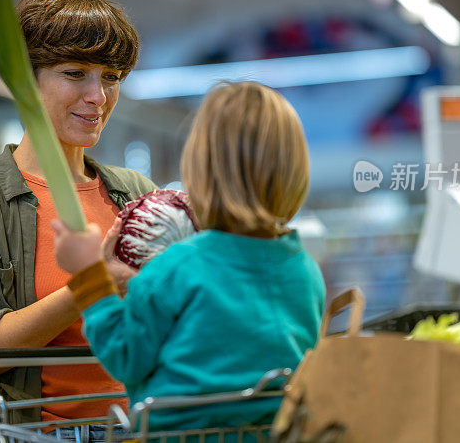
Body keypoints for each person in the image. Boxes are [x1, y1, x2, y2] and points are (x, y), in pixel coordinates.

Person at [0, 0, 157, 431]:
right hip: (35, 434)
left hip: (142, 429)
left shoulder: (135, 194)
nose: (99, 96)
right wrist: (90, 286)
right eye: (75, 73)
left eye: (111, 77)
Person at [52, 81, 327, 432]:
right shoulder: (304, 270)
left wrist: (90, 272)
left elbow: (125, 355)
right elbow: (224, 322)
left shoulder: (178, 266)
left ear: (202, 170)